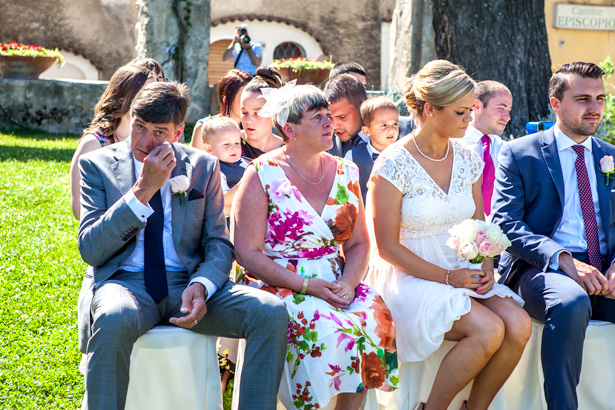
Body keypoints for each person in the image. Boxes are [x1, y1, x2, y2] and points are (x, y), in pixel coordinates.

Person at [77, 81, 288, 410]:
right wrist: (142, 191)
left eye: (159, 132)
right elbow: (91, 249)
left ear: (178, 132)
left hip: (187, 285)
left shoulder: (203, 166)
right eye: (139, 127)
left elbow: (218, 242)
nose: (146, 142)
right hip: (126, 283)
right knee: (113, 317)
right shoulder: (99, 166)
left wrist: (201, 285)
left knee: (268, 312)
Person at [367, 60, 531, 410]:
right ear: (429, 109)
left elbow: (481, 224)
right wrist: (448, 277)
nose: (469, 120)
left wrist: (487, 265)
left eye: (470, 110)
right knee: (489, 329)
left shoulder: (469, 159)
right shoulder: (392, 164)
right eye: (460, 112)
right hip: (409, 276)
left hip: (460, 269)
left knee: (518, 324)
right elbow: (386, 248)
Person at [232, 83, 398, 409]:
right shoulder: (261, 173)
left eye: (328, 115)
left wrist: (349, 284)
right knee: (321, 328)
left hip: (336, 280)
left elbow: (360, 243)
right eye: (318, 117)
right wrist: (307, 285)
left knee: (373, 316)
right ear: (289, 129)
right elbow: (247, 253)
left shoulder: (346, 171)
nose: (329, 123)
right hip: (278, 281)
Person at [491, 61, 615, 410]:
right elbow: (505, 223)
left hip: (603, 269)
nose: (595, 109)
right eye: (583, 99)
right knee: (571, 302)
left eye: (600, 99)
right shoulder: (520, 152)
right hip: (541, 267)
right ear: (555, 104)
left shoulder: (611, 156)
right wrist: (564, 260)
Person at [70, 64, 155, 221]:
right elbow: (79, 210)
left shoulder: (155, 142)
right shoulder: (93, 144)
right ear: (123, 97)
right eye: (144, 94)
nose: (152, 102)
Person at [459, 81, 512, 217]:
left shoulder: (507, 150)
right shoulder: (454, 145)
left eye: (509, 110)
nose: (507, 117)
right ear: (477, 106)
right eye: (501, 108)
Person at [345, 95, 399, 203]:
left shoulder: (405, 154)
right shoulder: (352, 156)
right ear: (366, 131)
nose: (391, 130)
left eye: (395, 124)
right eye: (384, 125)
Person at [190, 69, 252, 151]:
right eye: (243, 97)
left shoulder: (252, 129)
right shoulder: (204, 128)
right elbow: (197, 163)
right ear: (226, 100)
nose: (249, 102)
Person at [200, 116, 249, 216]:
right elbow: (223, 199)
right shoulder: (215, 170)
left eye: (237, 143)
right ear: (209, 149)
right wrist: (247, 181)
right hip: (230, 223)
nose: (233, 148)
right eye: (226, 144)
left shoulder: (248, 163)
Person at [239, 67, 285, 159]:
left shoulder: (287, 151)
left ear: (275, 113)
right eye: (244, 112)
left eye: (257, 113)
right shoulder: (229, 143)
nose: (249, 120)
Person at [325, 74, 369, 158]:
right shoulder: (323, 145)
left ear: (362, 108)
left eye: (342, 117)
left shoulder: (395, 135)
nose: (334, 126)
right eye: (330, 117)